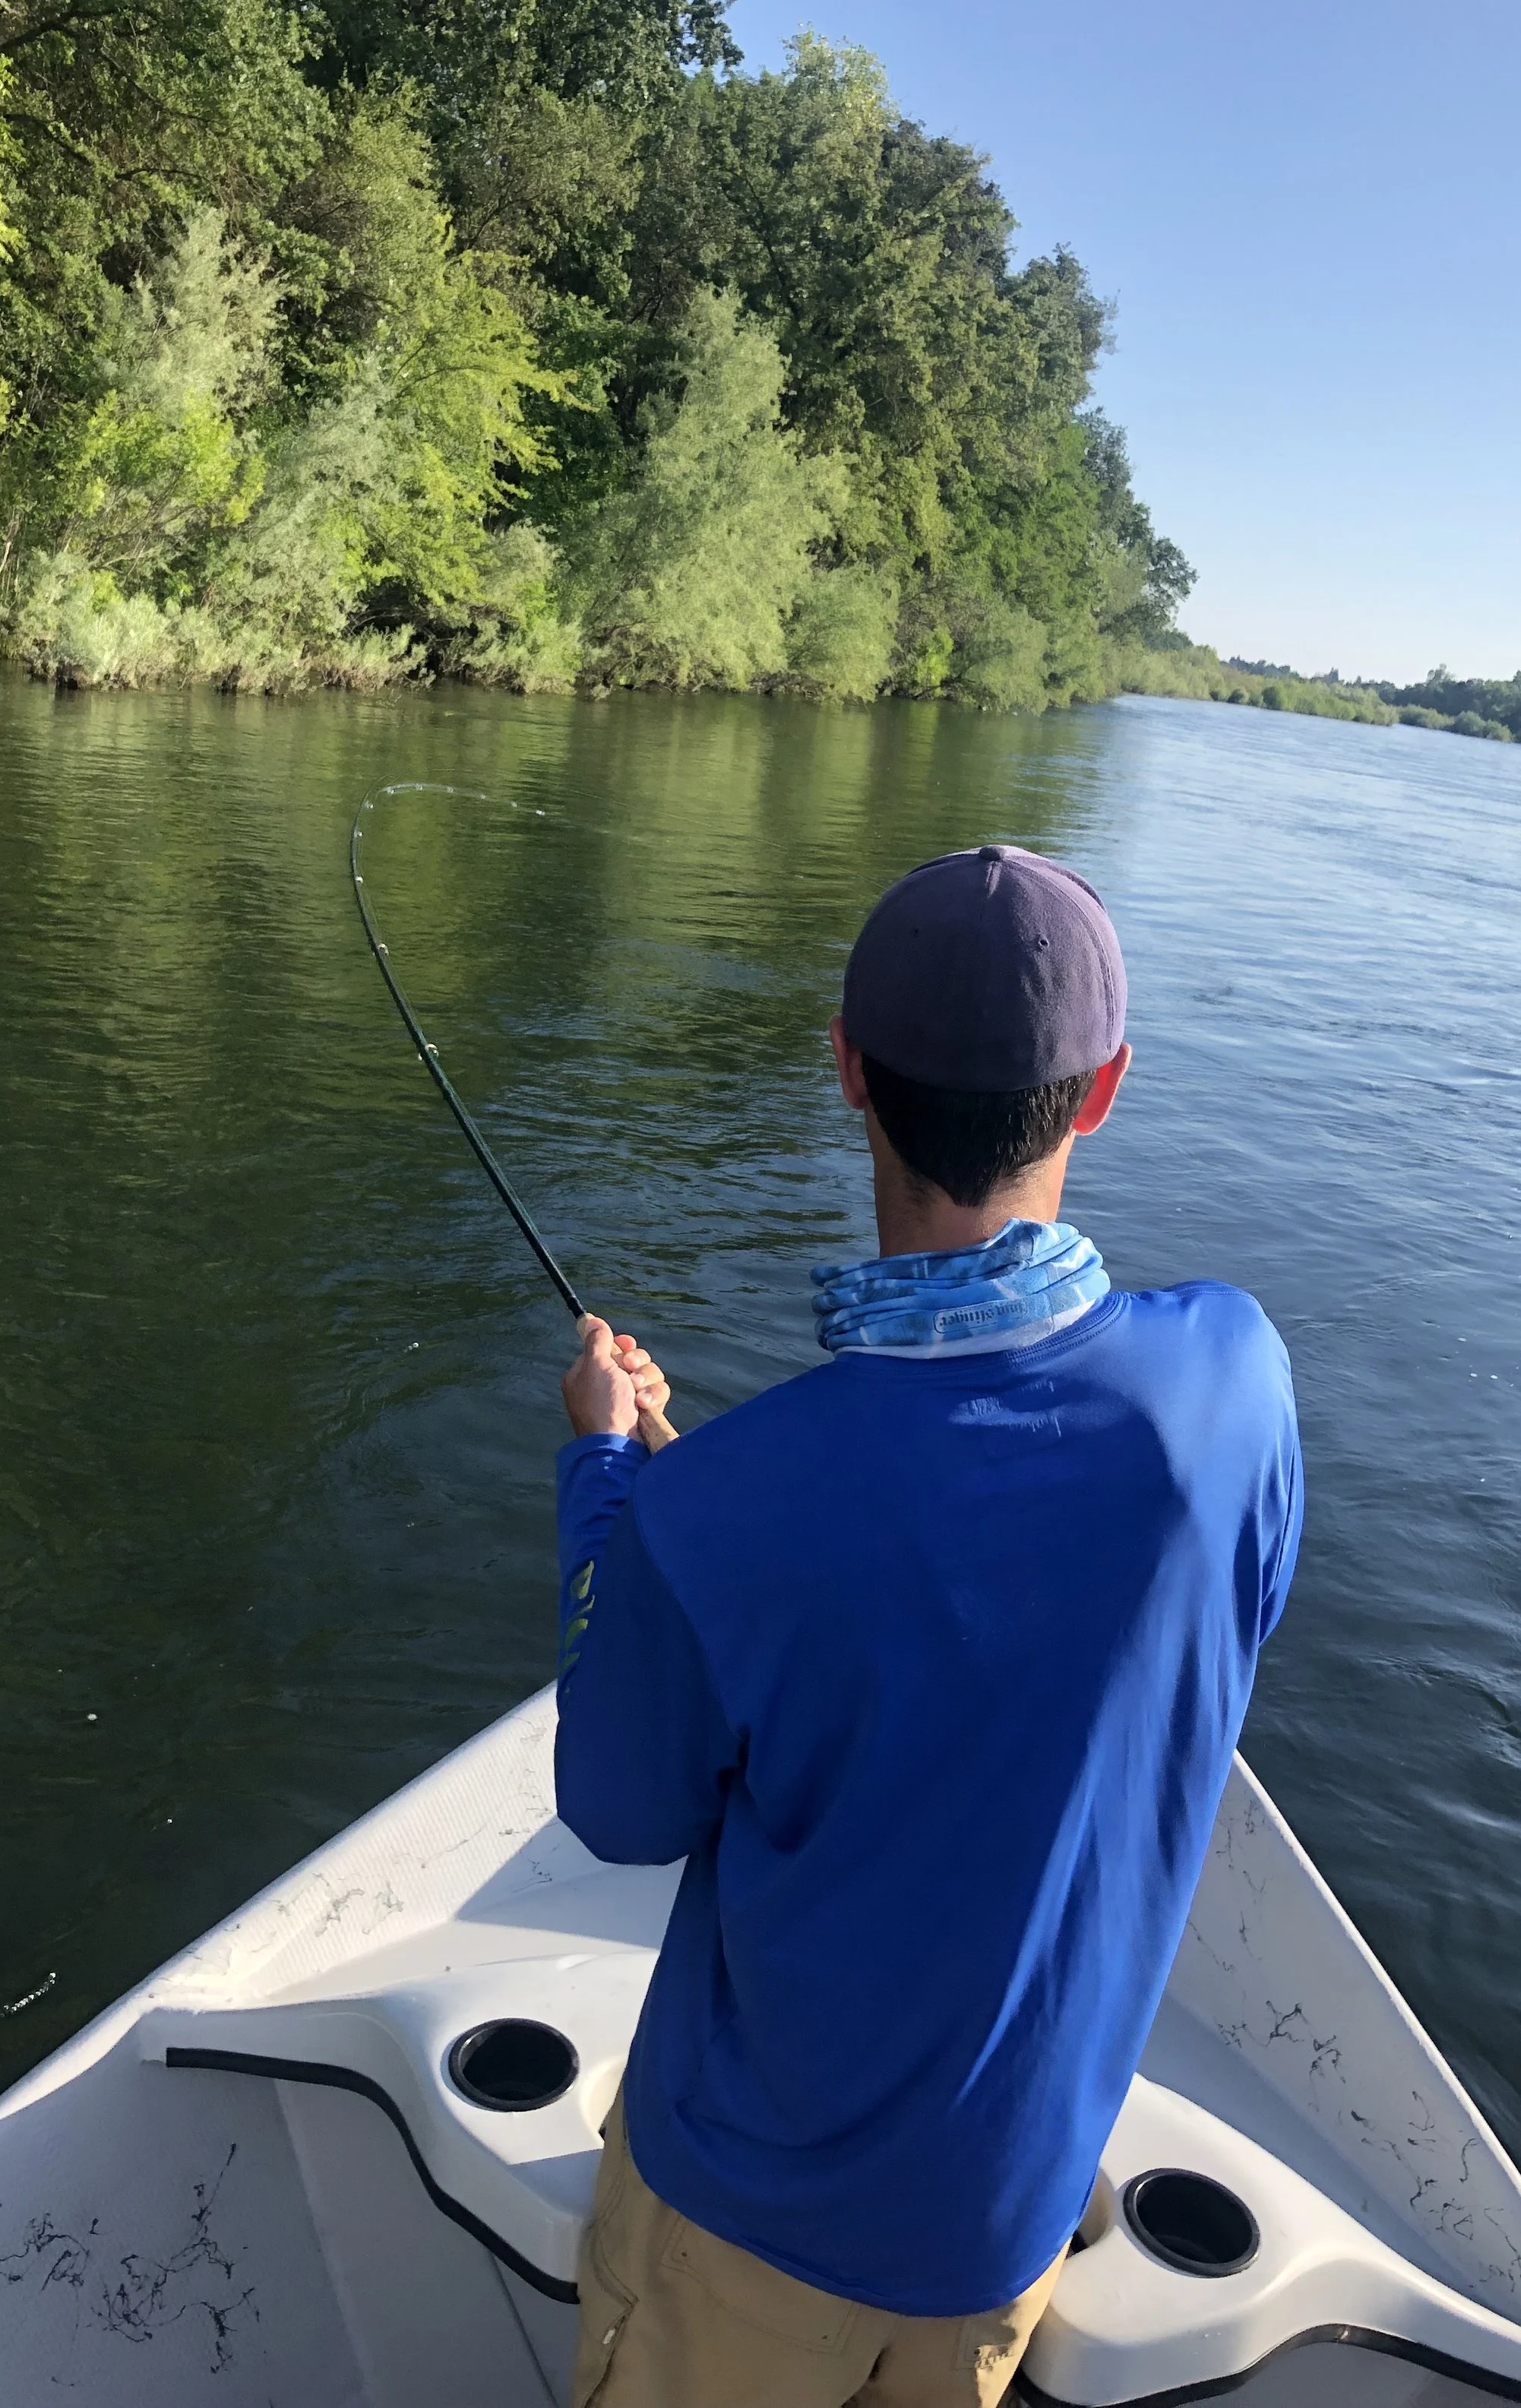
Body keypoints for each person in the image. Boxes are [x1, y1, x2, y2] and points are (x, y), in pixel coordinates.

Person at [552, 846, 1301, 2408]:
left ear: (844, 1071)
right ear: (1099, 1089)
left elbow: (621, 1810)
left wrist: (609, 1482)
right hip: (1006, 2217)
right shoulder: (1237, 1379)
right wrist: (712, 1520)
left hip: (749, 2232)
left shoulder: (725, 1515)